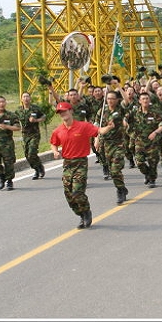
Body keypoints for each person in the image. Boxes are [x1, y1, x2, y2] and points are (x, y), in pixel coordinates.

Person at [50, 101, 114, 229]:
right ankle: (81, 213)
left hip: (80, 163)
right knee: (68, 195)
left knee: (77, 192)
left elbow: (98, 131)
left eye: (65, 111)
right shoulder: (58, 130)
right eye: (60, 112)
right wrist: (55, 151)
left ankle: (86, 212)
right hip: (67, 164)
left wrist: (109, 127)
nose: (63, 114)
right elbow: (53, 143)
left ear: (71, 111)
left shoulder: (83, 126)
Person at [94, 90, 129, 204]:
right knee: (112, 169)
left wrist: (118, 85)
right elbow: (97, 127)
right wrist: (96, 139)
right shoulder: (102, 111)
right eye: (108, 98)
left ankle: (119, 190)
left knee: (115, 169)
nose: (110, 101)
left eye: (112, 98)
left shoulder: (121, 109)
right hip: (107, 144)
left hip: (119, 143)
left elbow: (127, 102)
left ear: (117, 99)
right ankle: (122, 187)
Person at [127, 92, 162, 188]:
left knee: (153, 162)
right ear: (140, 101)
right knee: (140, 162)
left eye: (147, 98)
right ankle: (147, 173)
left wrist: (155, 132)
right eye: (143, 99)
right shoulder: (135, 112)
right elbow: (125, 118)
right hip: (139, 141)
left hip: (152, 142)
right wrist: (125, 123)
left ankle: (152, 179)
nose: (145, 100)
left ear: (149, 100)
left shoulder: (155, 112)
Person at [17, 91, 46, 180]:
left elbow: (44, 116)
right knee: (27, 155)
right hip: (25, 135)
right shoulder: (18, 110)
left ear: (30, 98)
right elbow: (14, 120)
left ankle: (39, 169)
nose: (26, 98)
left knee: (32, 153)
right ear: (21, 99)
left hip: (34, 134)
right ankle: (37, 169)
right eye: (24, 97)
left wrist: (36, 120)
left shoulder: (35, 109)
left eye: (27, 96)